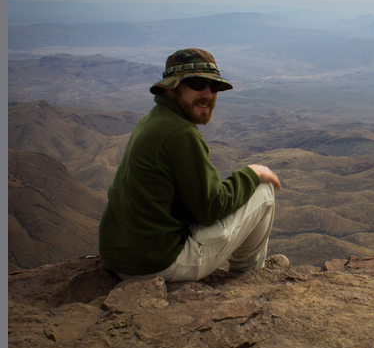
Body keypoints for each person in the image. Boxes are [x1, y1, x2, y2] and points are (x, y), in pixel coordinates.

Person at [98, 48, 288, 282]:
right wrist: (252, 173)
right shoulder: (180, 132)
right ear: (171, 87)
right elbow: (211, 209)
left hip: (124, 257)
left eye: (214, 87)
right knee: (263, 189)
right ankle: (248, 275)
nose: (208, 94)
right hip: (157, 263)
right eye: (197, 84)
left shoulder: (154, 119)